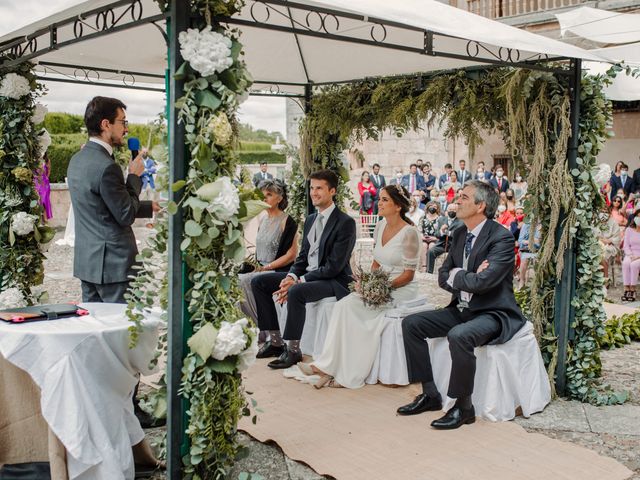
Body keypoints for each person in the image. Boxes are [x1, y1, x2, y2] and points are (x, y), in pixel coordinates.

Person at [398, 180, 526, 429]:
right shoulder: (458, 233)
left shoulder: (501, 238)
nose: (457, 199)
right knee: (411, 324)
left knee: (459, 336)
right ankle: (430, 393)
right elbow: (443, 277)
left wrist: (460, 275)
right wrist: (466, 275)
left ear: (480, 206)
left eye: (464, 197)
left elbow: (484, 283)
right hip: (462, 308)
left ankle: (464, 407)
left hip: (493, 312)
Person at [297, 185, 420, 388]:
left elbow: (408, 275)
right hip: (378, 285)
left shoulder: (409, 233)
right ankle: (329, 367)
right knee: (342, 305)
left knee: (354, 309)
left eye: (385, 200)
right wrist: (367, 282)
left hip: (401, 289)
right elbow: (376, 262)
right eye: (379, 199)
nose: (378, 203)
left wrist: (382, 286)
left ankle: (345, 372)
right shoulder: (380, 226)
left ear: (398, 206)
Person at [252, 169, 357, 369]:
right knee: (260, 282)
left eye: (319, 188)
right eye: (311, 188)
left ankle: (293, 350)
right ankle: (275, 341)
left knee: (296, 291)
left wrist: (298, 281)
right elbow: (302, 258)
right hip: (310, 275)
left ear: (332, 191)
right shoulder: (310, 219)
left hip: (334, 281)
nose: (314, 192)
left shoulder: (346, 223)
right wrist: (291, 274)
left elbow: (334, 267)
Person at [67, 96, 159, 303]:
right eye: (123, 122)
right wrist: (134, 177)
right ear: (106, 124)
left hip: (88, 265)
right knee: (121, 332)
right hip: (114, 268)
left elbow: (101, 206)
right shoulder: (108, 166)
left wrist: (148, 207)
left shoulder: (77, 160)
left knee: (96, 331)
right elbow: (125, 214)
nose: (126, 129)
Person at [239, 180, 298, 323]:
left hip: (277, 269)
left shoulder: (287, 221)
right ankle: (251, 323)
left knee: (245, 280)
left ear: (280, 198)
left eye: (269, 194)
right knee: (237, 278)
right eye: (262, 195)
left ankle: (262, 325)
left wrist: (266, 267)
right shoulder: (263, 219)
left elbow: (291, 255)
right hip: (260, 267)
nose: (264, 198)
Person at [426, 203, 462, 274]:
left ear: (457, 211)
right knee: (430, 251)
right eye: (450, 209)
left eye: (454, 210)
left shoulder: (461, 221)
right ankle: (429, 272)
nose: (452, 211)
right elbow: (436, 234)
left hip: (454, 245)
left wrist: (446, 232)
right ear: (447, 210)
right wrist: (441, 231)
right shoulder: (441, 219)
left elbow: (457, 234)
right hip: (442, 244)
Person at [598, 206, 621, 288]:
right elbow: (595, 235)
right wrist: (601, 240)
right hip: (599, 244)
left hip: (611, 245)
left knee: (605, 252)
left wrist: (608, 241)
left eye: (605, 212)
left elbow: (617, 237)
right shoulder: (596, 222)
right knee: (598, 253)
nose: (604, 214)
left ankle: (606, 278)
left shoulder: (614, 223)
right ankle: (599, 278)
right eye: (602, 211)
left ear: (609, 213)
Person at [621, 216, 640, 302]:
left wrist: (637, 257)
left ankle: (633, 289)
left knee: (634, 265)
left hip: (639, 256)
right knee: (626, 263)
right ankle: (626, 288)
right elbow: (626, 245)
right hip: (631, 254)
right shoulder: (629, 230)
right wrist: (631, 255)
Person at [420, 201, 441, 269]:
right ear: (428, 207)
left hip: (435, 239)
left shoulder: (440, 219)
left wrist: (435, 238)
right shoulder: (423, 217)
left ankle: (430, 267)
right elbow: (419, 230)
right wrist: (422, 237)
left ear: (437, 208)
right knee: (424, 245)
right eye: (431, 206)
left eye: (435, 207)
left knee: (432, 245)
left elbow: (441, 232)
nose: (433, 208)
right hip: (424, 238)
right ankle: (424, 266)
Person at [34, 152, 52, 222]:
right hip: (37, 183)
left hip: (45, 184)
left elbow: (49, 170)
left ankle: (45, 219)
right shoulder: (35, 160)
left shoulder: (47, 160)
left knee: (45, 201)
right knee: (39, 201)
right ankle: (40, 219)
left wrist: (46, 178)